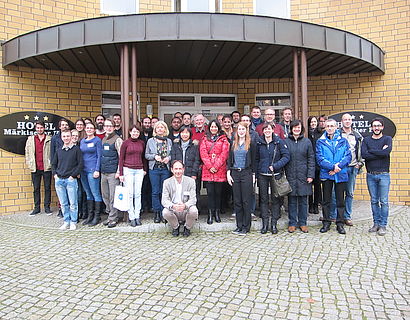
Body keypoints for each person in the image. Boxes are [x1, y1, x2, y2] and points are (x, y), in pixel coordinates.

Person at [316, 119, 351, 235]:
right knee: (326, 200)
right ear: (325, 128)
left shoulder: (343, 141)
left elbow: (348, 156)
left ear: (336, 127)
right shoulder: (320, 142)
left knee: (340, 200)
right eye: (328, 126)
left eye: (332, 126)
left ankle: (340, 223)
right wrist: (332, 167)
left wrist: (337, 167)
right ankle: (326, 222)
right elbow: (320, 159)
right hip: (327, 174)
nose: (330, 128)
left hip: (340, 174)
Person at [330, 113, 364, 226]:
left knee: (349, 193)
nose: (347, 121)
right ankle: (334, 215)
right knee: (336, 193)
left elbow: (361, 150)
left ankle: (347, 216)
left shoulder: (357, 135)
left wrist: (360, 163)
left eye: (349, 119)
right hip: (339, 168)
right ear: (342, 121)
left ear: (351, 121)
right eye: (345, 119)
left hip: (352, 167)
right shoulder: (337, 134)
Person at [256, 123, 290, 234]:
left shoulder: (279, 142)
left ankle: (274, 223)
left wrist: (275, 166)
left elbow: (286, 157)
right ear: (263, 131)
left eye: (269, 129)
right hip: (262, 174)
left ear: (272, 130)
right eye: (265, 129)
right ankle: (265, 223)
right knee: (264, 199)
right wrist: (256, 173)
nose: (267, 131)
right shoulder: (259, 142)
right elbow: (256, 159)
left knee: (276, 198)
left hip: (275, 174)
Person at [362, 118, 392, 236]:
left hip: (384, 174)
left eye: (378, 126)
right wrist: (380, 152)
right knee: (374, 201)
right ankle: (376, 224)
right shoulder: (366, 140)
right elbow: (364, 155)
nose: (376, 128)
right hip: (371, 175)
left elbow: (386, 153)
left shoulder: (387, 139)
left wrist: (372, 151)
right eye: (374, 126)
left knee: (383, 201)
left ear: (382, 127)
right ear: (371, 128)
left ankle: (383, 225)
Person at [284, 120, 315, 233]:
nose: (296, 129)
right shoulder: (286, 141)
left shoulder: (307, 142)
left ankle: (303, 223)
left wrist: (310, 175)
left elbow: (311, 159)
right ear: (291, 129)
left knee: (303, 200)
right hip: (290, 174)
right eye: (294, 127)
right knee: (292, 200)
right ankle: (292, 223)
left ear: (301, 129)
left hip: (304, 175)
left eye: (299, 127)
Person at [227, 122, 256, 235]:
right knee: (237, 201)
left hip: (246, 173)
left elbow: (254, 160)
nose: (241, 131)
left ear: (246, 130)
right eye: (239, 129)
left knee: (246, 201)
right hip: (235, 173)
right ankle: (239, 226)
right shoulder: (233, 143)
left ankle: (246, 227)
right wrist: (229, 173)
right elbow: (229, 159)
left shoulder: (251, 143)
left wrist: (254, 175)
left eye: (243, 129)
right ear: (236, 131)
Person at [200, 120, 230, 224]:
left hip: (219, 169)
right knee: (210, 193)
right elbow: (203, 153)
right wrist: (209, 166)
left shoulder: (223, 139)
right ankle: (210, 213)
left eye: (215, 127)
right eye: (212, 127)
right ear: (209, 128)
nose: (213, 128)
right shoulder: (204, 139)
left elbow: (224, 153)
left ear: (218, 128)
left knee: (218, 193)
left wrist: (216, 166)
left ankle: (217, 213)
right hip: (208, 170)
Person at [51, 130, 83, 230]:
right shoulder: (59, 150)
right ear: (61, 137)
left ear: (71, 137)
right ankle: (66, 221)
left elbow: (80, 164)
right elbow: (53, 164)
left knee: (73, 203)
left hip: (70, 180)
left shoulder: (76, 149)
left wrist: (73, 176)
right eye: (64, 136)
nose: (66, 138)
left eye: (68, 136)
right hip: (59, 180)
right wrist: (55, 175)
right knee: (64, 203)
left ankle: (73, 221)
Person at [119, 124, 147, 227]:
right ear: (130, 132)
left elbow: (143, 157)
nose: (135, 133)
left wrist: (144, 169)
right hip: (128, 170)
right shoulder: (125, 143)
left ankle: (137, 215)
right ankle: (131, 216)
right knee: (130, 194)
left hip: (139, 170)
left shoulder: (141, 143)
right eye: (134, 131)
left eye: (137, 132)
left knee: (138, 193)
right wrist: (121, 173)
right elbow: (121, 158)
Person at [162, 160, 199, 237]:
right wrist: (173, 206)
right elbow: (164, 200)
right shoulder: (166, 182)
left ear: (183, 169)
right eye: (176, 169)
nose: (178, 171)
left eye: (180, 169)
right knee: (165, 212)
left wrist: (185, 205)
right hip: (174, 209)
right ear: (172, 170)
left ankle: (187, 227)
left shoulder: (191, 181)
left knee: (194, 210)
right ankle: (176, 227)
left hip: (185, 209)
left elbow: (193, 199)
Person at [145, 121, 172, 223]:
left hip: (165, 169)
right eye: (158, 127)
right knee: (155, 191)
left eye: (162, 127)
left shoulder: (168, 141)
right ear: (155, 130)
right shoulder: (150, 141)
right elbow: (146, 155)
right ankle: (157, 212)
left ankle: (164, 212)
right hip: (154, 169)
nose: (160, 129)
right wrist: (154, 156)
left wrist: (168, 158)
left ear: (165, 129)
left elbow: (172, 154)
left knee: (164, 192)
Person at [25, 120, 52, 216]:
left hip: (46, 168)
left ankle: (47, 207)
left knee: (47, 188)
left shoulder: (49, 139)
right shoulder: (31, 139)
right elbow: (27, 152)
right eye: (38, 128)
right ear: (35, 128)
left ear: (44, 128)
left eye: (41, 127)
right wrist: (29, 163)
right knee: (36, 188)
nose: (39, 129)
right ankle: (37, 208)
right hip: (35, 168)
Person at [100, 119, 123, 228]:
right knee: (105, 195)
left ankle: (113, 218)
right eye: (106, 126)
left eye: (110, 126)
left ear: (114, 127)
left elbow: (121, 156)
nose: (108, 128)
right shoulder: (104, 139)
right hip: (104, 172)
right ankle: (110, 215)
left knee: (113, 196)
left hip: (113, 173)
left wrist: (119, 171)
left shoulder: (117, 139)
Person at [80, 122, 103, 226]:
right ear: (85, 129)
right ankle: (90, 215)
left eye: (91, 128)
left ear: (94, 130)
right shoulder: (82, 141)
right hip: (83, 171)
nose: (89, 129)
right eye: (87, 128)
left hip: (92, 170)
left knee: (95, 193)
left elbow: (99, 156)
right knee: (88, 193)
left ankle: (97, 217)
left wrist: (97, 170)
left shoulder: (97, 140)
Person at [50, 118, 70, 217]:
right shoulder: (54, 138)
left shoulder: (70, 137)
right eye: (63, 125)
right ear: (59, 127)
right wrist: (54, 171)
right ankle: (61, 209)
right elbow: (52, 154)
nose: (64, 126)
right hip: (59, 167)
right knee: (61, 190)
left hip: (69, 167)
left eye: (66, 125)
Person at [308, 115, 325, 214]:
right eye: (311, 122)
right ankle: (310, 205)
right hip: (310, 164)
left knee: (318, 186)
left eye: (315, 122)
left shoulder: (320, 134)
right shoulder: (306, 134)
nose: (313, 124)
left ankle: (316, 205)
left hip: (318, 164)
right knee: (309, 186)